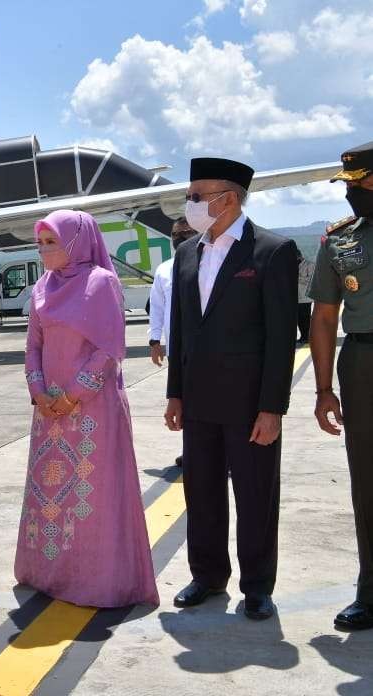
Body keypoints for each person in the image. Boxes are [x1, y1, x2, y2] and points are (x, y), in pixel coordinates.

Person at [165, 157, 298, 621]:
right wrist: (175, 394)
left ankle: (258, 585)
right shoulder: (187, 254)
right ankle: (206, 575)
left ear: (229, 198)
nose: (191, 204)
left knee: (256, 494)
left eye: (198, 195)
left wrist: (272, 408)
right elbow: (179, 329)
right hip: (198, 401)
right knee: (200, 492)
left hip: (248, 404)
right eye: (191, 195)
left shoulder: (271, 252)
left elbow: (282, 338)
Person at [17, 210, 158, 608]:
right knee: (52, 497)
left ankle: (97, 581)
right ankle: (50, 574)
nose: (43, 250)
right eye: (40, 242)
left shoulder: (102, 283)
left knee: (91, 496)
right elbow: (33, 347)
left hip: (93, 409)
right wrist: (39, 392)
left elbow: (109, 350)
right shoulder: (43, 286)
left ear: (76, 243)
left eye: (52, 242)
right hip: (49, 411)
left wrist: (73, 395)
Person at [309, 140, 373, 632]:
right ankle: (370, 592)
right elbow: (325, 318)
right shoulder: (340, 240)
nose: (355, 194)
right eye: (349, 186)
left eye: (363, 181)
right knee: (367, 481)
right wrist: (324, 389)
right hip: (363, 362)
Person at [149, 219, 198, 468]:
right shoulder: (164, 270)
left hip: (206, 348)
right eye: (176, 234)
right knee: (183, 404)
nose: (181, 238)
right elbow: (156, 308)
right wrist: (154, 340)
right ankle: (191, 451)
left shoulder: (208, 264)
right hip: (176, 350)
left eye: (187, 233)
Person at [297, 249, 315, 345]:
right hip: (296, 297)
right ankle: (303, 336)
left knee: (306, 318)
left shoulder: (309, 265)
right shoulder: (291, 266)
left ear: (300, 256)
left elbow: (311, 280)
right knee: (299, 319)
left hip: (305, 297)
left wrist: (297, 277)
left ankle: (308, 336)